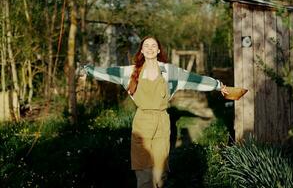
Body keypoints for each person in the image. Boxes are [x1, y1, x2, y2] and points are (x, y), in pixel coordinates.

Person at [82, 36, 228, 188]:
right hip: (141, 124)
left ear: (158, 50)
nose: (150, 48)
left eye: (153, 46)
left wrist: (217, 85)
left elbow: (195, 79)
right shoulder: (131, 72)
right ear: (142, 50)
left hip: (162, 123)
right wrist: (86, 70)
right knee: (144, 175)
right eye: (146, 45)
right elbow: (108, 72)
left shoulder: (170, 72)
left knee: (160, 175)